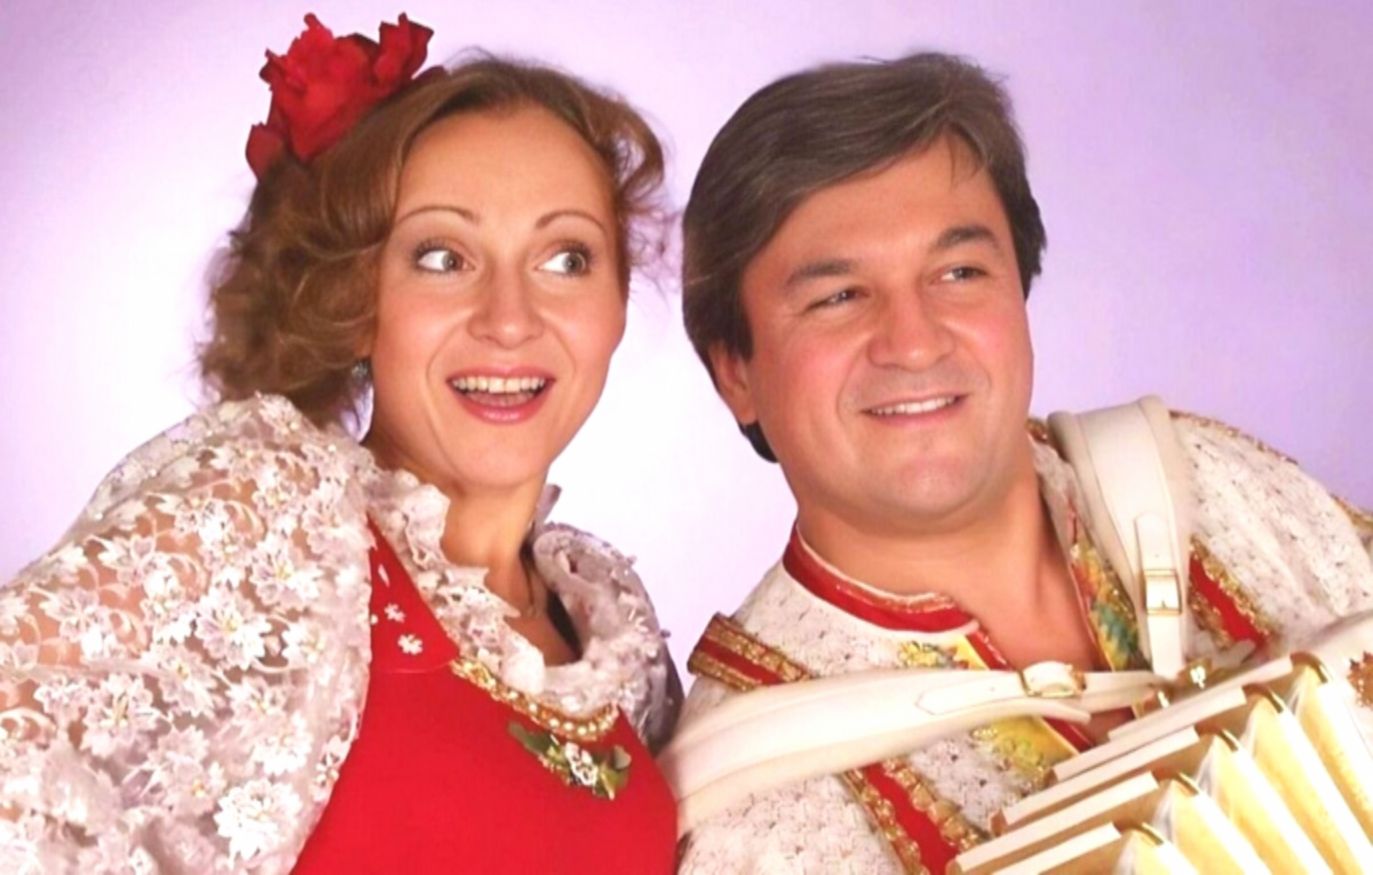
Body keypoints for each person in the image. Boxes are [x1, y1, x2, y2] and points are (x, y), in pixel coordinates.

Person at [0, 14, 680, 874]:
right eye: (442, 257)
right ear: (354, 299)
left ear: (616, 302)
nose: (509, 319)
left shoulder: (612, 629)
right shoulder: (277, 519)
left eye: (566, 258)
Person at [674, 52, 1373, 873]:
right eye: (837, 296)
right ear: (736, 372)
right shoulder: (753, 820)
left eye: (958, 272)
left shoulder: (1204, 477)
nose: (914, 341)